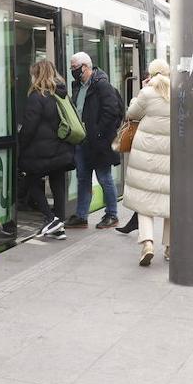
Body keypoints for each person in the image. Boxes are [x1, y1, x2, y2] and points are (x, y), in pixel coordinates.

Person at [120, 60, 172, 266]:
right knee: (170, 201)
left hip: (146, 154)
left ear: (151, 73)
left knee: (144, 201)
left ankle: (147, 243)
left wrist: (142, 90)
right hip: (170, 153)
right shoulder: (177, 92)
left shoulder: (147, 92)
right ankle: (169, 247)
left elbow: (131, 114)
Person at [18, 59, 75, 240]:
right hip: (60, 149)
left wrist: (21, 146)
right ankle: (59, 226)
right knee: (57, 185)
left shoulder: (37, 96)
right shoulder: (61, 94)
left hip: (42, 151)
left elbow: (29, 128)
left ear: (37, 74)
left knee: (31, 182)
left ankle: (50, 218)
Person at [64, 52, 123, 229]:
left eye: (75, 68)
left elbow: (112, 111)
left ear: (86, 67)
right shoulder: (78, 86)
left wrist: (98, 132)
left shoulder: (101, 85)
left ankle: (112, 214)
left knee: (104, 178)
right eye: (71, 68)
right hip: (82, 141)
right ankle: (82, 216)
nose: (73, 71)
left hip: (99, 142)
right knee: (83, 178)